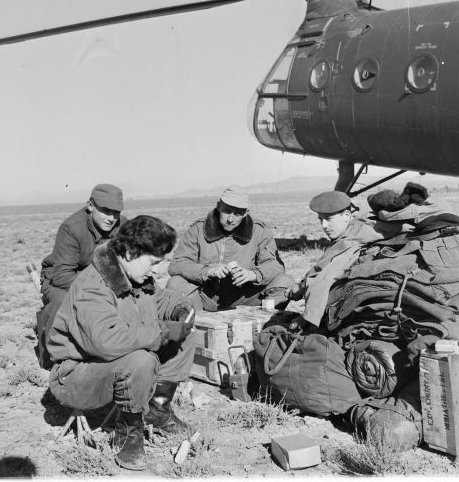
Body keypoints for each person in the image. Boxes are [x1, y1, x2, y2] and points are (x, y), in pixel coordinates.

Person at [47, 216, 196, 471]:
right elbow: (107, 341)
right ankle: (128, 431)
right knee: (141, 359)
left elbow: (158, 299)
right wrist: (161, 331)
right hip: (76, 376)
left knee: (185, 333)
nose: (158, 270)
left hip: (108, 367)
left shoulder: (134, 275)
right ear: (129, 252)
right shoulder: (93, 285)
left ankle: (157, 408)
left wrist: (181, 310)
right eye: (154, 262)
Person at [36, 184, 126, 369]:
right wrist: (99, 289)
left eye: (116, 212)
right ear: (90, 205)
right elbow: (61, 276)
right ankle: (53, 357)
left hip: (104, 275)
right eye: (106, 211)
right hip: (60, 279)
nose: (111, 218)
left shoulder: (123, 225)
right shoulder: (72, 228)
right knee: (63, 302)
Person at [167, 187, 293, 311]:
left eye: (237, 214)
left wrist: (253, 274)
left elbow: (275, 265)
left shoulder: (260, 231)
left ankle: (264, 322)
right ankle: (197, 324)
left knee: (285, 282)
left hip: (245, 298)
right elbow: (177, 264)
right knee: (175, 284)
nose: (230, 219)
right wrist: (208, 271)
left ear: (245, 213)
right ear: (218, 206)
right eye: (226, 211)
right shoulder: (198, 229)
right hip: (205, 297)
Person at [287, 190, 383, 328]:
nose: (324, 226)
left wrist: (307, 320)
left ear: (347, 215)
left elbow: (326, 277)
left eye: (328, 219)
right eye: (320, 219)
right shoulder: (352, 230)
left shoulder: (354, 239)